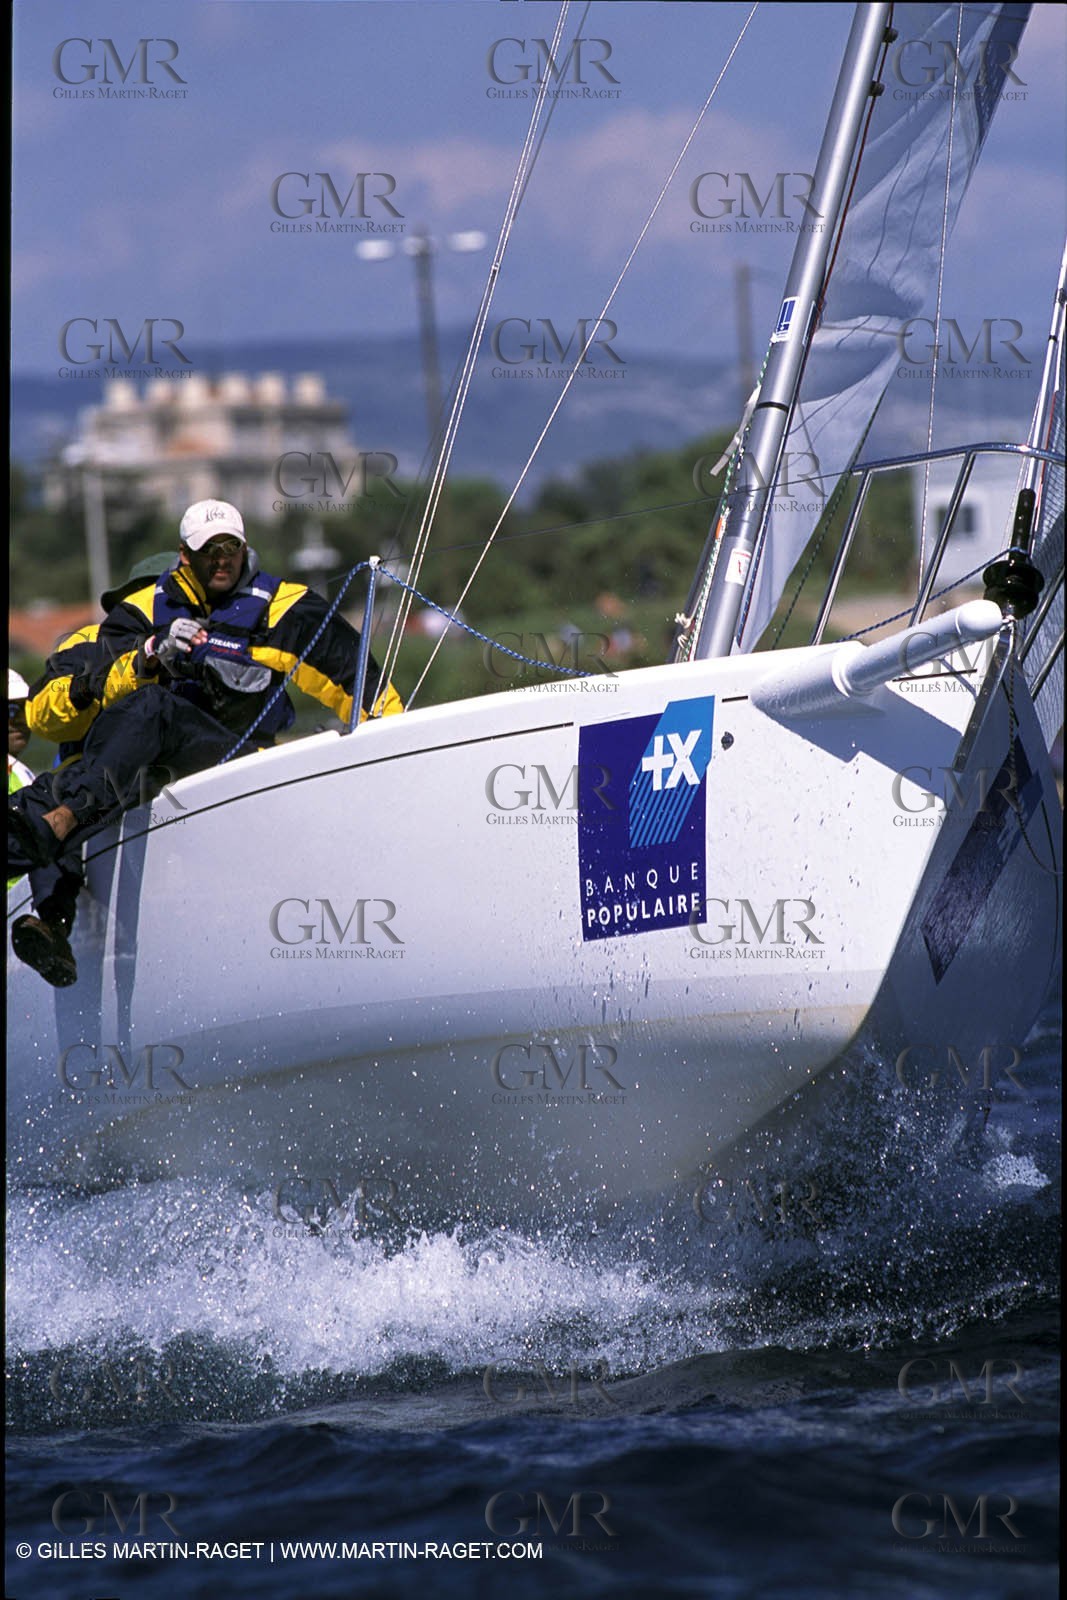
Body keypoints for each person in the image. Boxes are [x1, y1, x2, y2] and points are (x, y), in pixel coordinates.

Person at [8, 499, 403, 919]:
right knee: (61, 784)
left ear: (244, 548)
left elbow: (364, 688)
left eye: (229, 548)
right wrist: (147, 657)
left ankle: (56, 838)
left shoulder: (285, 609)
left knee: (150, 712)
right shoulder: (133, 619)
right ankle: (50, 909)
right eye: (208, 552)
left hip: (242, 772)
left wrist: (394, 765)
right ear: (183, 559)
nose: (220, 560)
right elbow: (43, 717)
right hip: (149, 776)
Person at [9, 555, 174, 986]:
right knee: (53, 809)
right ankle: (54, 924)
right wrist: (97, 683)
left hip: (154, 773)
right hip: (95, 777)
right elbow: (46, 714)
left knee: (53, 810)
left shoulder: (204, 635)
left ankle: (52, 922)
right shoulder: (88, 642)